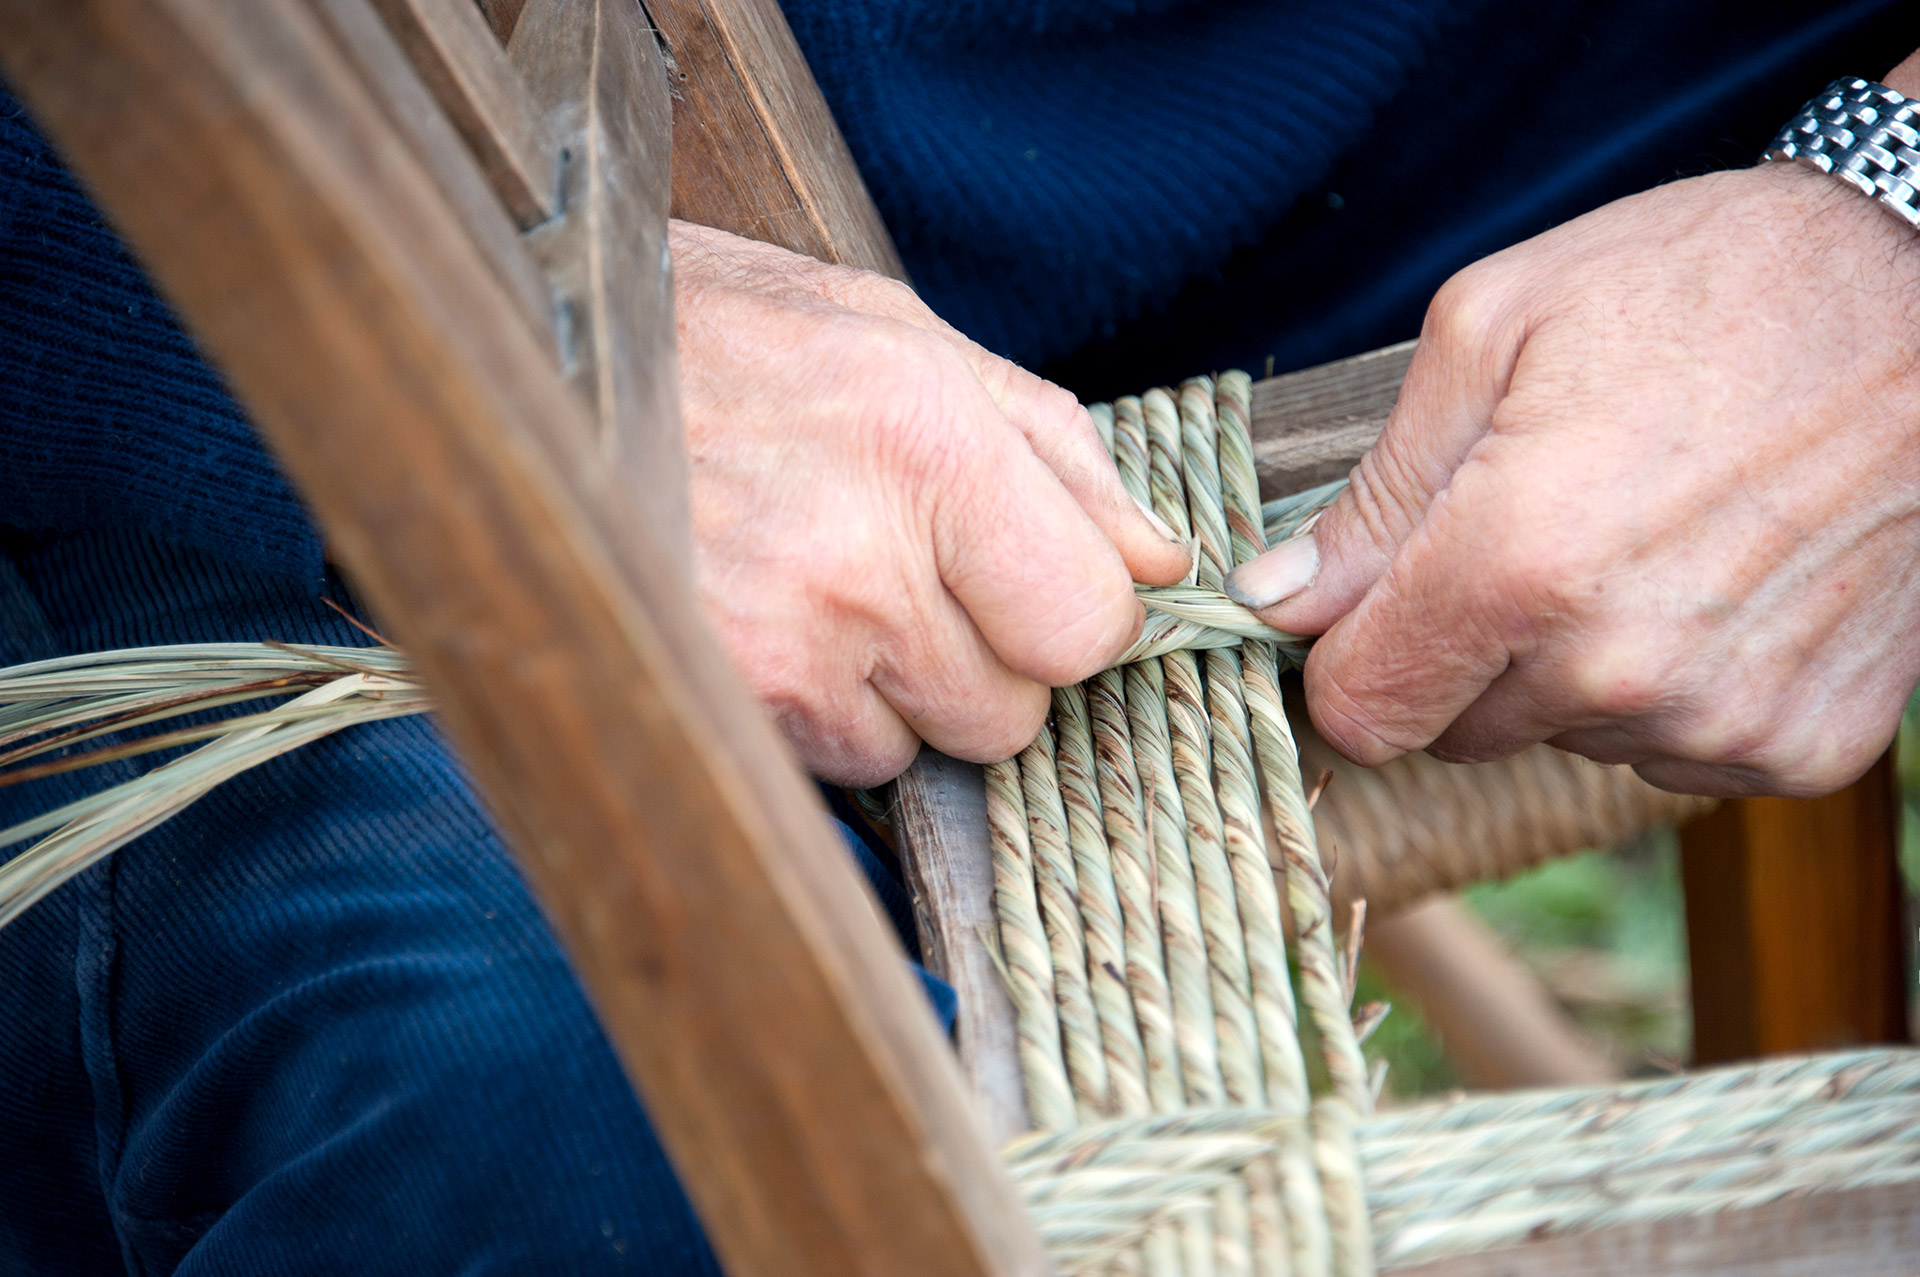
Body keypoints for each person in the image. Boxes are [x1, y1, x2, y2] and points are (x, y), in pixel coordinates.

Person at [0, 1, 1914, 1272]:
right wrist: (403, 359)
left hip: (1591, 232)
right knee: (621, 1167)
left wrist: (1890, 230)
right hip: (269, 340)